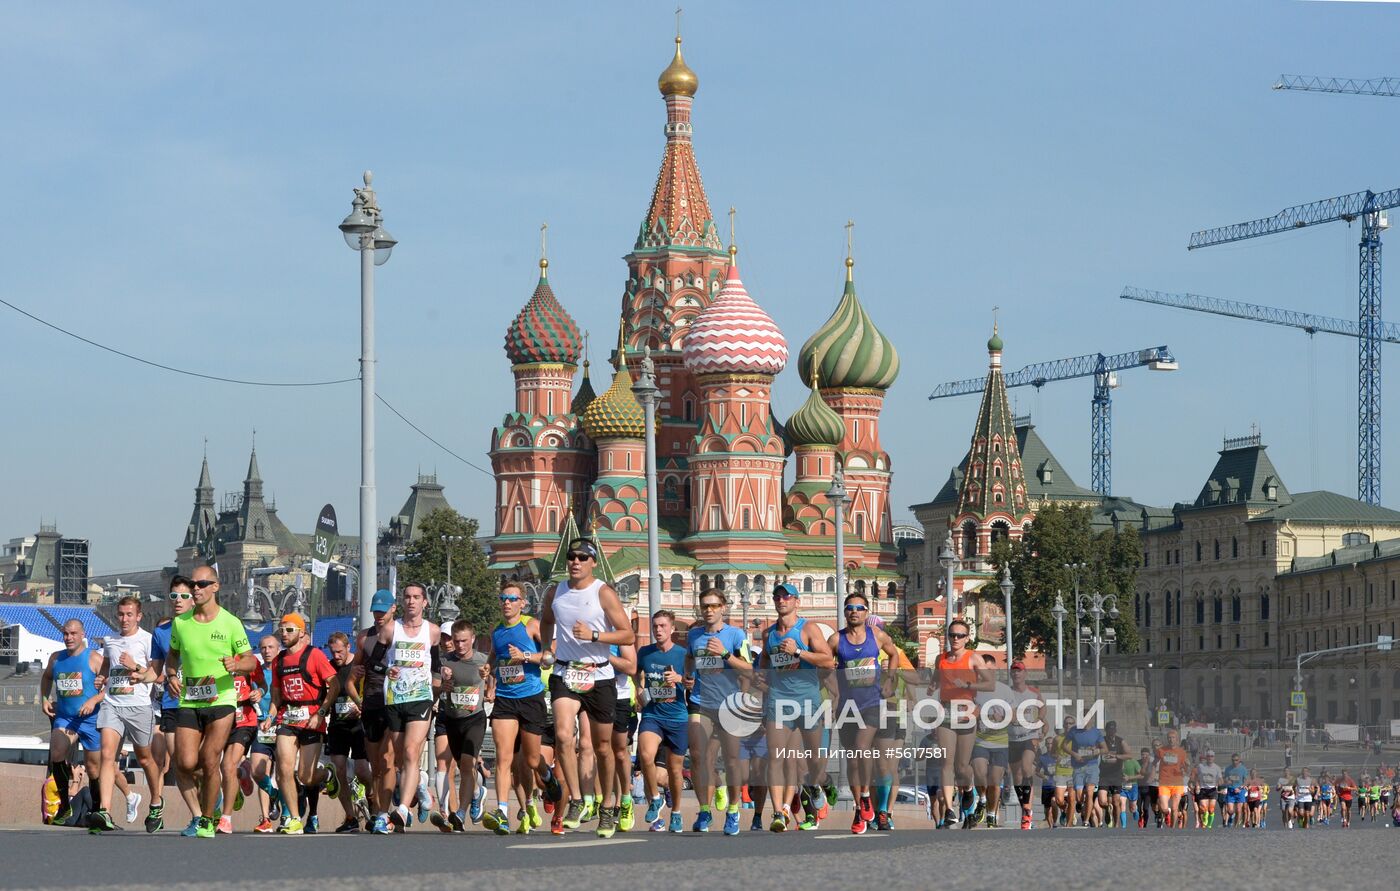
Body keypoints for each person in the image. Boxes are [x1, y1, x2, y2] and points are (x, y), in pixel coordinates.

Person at [538, 539, 636, 838]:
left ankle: (607, 806)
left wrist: (594, 635)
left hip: (599, 675)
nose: (575, 562)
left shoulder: (602, 592)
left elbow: (628, 635)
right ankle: (578, 800)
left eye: (582, 557)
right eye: (571, 556)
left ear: (593, 562)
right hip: (566, 672)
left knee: (603, 747)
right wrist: (545, 649)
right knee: (564, 736)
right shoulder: (556, 591)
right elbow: (546, 620)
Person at [163, 564, 260, 838]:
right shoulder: (181, 623)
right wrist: (171, 673)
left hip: (222, 699)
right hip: (190, 700)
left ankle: (207, 820)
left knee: (209, 758)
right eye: (194, 584)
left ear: (215, 587)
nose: (196, 589)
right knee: (183, 763)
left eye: (203, 584)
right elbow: (172, 655)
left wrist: (237, 664)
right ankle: (201, 810)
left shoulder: (230, 622)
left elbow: (251, 661)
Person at [484, 581, 562, 835]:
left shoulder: (531, 625)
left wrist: (526, 657)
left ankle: (548, 777)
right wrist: (488, 669)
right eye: (503, 598)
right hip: (505, 700)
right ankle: (503, 813)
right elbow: (495, 657)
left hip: (530, 697)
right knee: (504, 758)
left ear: (522, 603)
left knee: (530, 759)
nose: (507, 603)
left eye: (512, 599)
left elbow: (551, 656)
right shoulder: (496, 631)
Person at [758, 581, 834, 832]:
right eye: (777, 596)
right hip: (779, 700)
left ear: (796, 602)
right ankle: (778, 812)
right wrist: (761, 681)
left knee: (813, 760)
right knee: (775, 757)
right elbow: (765, 665)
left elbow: (827, 662)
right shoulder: (768, 634)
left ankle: (817, 784)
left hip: (808, 701)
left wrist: (799, 652)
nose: (781, 600)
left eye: (787, 597)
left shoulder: (808, 629)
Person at [88, 596, 162, 834]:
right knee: (107, 756)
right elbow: (107, 668)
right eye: (121, 614)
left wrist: (135, 667)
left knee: (145, 759)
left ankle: (156, 802)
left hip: (139, 706)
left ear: (139, 616)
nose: (124, 619)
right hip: (112, 704)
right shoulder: (110, 640)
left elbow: (158, 675)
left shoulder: (148, 640)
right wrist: (101, 678)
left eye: (129, 614)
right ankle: (105, 811)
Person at [828, 591, 899, 834]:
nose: (854, 611)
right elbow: (824, 667)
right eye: (850, 608)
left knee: (868, 754)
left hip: (873, 703)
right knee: (853, 761)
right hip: (847, 706)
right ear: (845, 612)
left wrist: (890, 679)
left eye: (859, 607)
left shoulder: (876, 635)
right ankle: (860, 810)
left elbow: (894, 653)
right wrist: (834, 694)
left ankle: (876, 806)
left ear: (866, 612)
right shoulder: (836, 640)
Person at [685, 587, 751, 833]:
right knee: (698, 755)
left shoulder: (735, 635)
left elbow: (749, 669)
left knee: (732, 761)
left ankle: (733, 810)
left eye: (713, 606)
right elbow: (689, 658)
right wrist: (688, 675)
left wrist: (724, 654)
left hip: (729, 704)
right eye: (705, 606)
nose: (709, 610)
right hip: (701, 701)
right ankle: (704, 811)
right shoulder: (694, 635)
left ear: (723, 608)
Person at [376, 584, 442, 831]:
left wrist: (439, 681)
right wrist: (386, 670)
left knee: (413, 751)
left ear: (424, 602)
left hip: (421, 697)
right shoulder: (391, 630)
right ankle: (421, 786)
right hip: (395, 697)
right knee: (401, 758)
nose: (412, 601)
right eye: (407, 597)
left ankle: (402, 809)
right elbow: (373, 663)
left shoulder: (432, 631)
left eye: (416, 597)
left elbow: (435, 665)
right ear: (402, 602)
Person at [270, 613, 339, 834]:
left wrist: (321, 712)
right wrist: (270, 716)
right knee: (283, 768)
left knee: (305, 776)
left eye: (289, 630)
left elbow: (334, 684)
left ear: (301, 633)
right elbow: (276, 694)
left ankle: (327, 774)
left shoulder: (315, 655)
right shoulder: (278, 660)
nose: (284, 634)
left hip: (311, 718)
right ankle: (294, 818)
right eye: (282, 630)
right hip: (287, 718)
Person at [40, 620, 105, 829]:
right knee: (57, 751)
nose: (68, 638)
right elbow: (46, 677)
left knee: (94, 769)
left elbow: (111, 687)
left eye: (73, 634)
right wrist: (44, 699)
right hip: (66, 718)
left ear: (82, 634)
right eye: (65, 634)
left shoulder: (94, 658)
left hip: (90, 720)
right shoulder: (56, 658)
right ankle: (65, 805)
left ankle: (96, 809)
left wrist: (94, 699)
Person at [149, 575, 201, 833]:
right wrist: (136, 674)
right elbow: (155, 670)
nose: (177, 601)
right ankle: (198, 816)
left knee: (201, 764)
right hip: (172, 703)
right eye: (173, 596)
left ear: (193, 599)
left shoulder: (204, 625)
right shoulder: (160, 632)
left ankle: (215, 797)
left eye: (183, 596)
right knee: (180, 763)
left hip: (202, 702)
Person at [932, 618, 992, 828]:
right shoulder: (941, 658)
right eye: (952, 635)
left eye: (959, 635)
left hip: (967, 711)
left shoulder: (973, 658)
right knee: (946, 763)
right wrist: (932, 687)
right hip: (946, 712)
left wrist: (967, 683)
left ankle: (968, 790)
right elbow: (935, 679)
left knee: (962, 766)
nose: (955, 639)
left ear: (967, 638)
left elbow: (990, 684)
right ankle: (949, 809)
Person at [431, 619, 489, 833]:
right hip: (452, 719)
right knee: (457, 765)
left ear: (472, 639)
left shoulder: (482, 660)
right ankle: (476, 793)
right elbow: (434, 691)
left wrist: (491, 689)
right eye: (457, 641)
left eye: (465, 641)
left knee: (466, 765)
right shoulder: (445, 661)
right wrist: (442, 687)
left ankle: (461, 813)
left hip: (475, 719)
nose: (460, 645)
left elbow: (494, 676)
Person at [636, 610, 688, 834]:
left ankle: (676, 812)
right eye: (655, 626)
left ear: (672, 629)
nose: (658, 630)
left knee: (675, 771)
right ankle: (655, 799)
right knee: (646, 755)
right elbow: (634, 672)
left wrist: (679, 679)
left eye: (663, 626)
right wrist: (638, 689)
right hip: (652, 714)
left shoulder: (683, 655)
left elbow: (694, 684)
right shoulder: (645, 652)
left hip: (677, 717)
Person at [352, 589, 397, 833]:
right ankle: (380, 810)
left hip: (394, 702)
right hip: (370, 703)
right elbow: (354, 670)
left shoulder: (402, 634)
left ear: (393, 609)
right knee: (376, 765)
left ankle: (384, 813)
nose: (378, 616)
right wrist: (356, 681)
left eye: (383, 611)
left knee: (388, 759)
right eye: (375, 611)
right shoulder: (364, 637)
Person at [326, 631, 372, 833]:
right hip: (338, 725)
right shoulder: (328, 668)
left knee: (362, 771)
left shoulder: (358, 666)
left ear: (348, 648)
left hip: (359, 725)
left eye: (339, 652)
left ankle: (372, 799)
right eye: (333, 652)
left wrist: (361, 706)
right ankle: (351, 817)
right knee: (339, 770)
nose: (336, 656)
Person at [970, 654, 1013, 829]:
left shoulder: (1004, 690)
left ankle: (991, 815)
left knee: (994, 781)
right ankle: (982, 798)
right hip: (980, 740)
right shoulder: (974, 690)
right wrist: (976, 715)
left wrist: (1002, 717)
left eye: (989, 669)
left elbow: (1014, 714)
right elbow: (969, 713)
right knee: (980, 773)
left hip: (1000, 742)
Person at [249, 634, 283, 833]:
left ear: (278, 649)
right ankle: (265, 818)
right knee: (259, 771)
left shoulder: (283, 670)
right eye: (263, 648)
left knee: (283, 773)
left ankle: (287, 815)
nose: (267, 651)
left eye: (271, 647)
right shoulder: (256, 673)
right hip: (261, 727)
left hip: (282, 726)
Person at [606, 639, 639, 832]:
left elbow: (631, 668)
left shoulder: (619, 630)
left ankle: (624, 800)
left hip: (620, 697)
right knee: (596, 750)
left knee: (619, 752)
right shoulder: (583, 624)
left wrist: (603, 657)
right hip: (591, 694)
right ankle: (604, 802)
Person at [1004, 661, 1041, 831]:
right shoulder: (1007, 693)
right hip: (1012, 739)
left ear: (1025, 673)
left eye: (1019, 671)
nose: (1016, 674)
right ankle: (1026, 810)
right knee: (1017, 778)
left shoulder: (1033, 693)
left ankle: (1027, 811)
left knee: (1027, 768)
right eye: (1014, 672)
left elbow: (1042, 709)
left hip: (1029, 736)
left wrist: (1039, 725)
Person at [1066, 712, 1107, 827]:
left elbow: (1105, 749)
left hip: (1092, 766)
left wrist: (1097, 751)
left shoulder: (1096, 732)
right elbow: (1064, 746)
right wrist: (1074, 754)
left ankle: (1086, 821)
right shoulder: (1074, 730)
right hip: (1078, 767)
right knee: (1079, 796)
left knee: (1089, 793)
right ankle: (1081, 803)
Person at [1096, 720, 1129, 830]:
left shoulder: (1121, 741)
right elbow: (1094, 751)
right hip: (1104, 775)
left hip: (1116, 775)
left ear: (1116, 730)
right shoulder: (1101, 741)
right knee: (1101, 801)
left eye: (1113, 729)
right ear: (1106, 730)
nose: (1111, 731)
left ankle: (1116, 824)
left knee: (1116, 802)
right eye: (1109, 729)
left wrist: (1117, 756)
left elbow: (1129, 755)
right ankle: (1107, 808)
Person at [1155, 729, 1189, 829]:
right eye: (1169, 738)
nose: (1171, 739)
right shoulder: (1161, 750)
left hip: (1177, 782)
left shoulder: (1182, 752)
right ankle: (1167, 814)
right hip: (1164, 782)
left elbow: (1185, 769)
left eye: (1173, 738)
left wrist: (1186, 767)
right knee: (1165, 808)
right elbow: (1154, 761)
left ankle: (1172, 829)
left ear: (1177, 739)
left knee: (1175, 808)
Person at [1191, 749, 1223, 829]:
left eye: (1212, 756)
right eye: (1208, 756)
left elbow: (1220, 779)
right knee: (1203, 808)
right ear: (1206, 757)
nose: (1210, 758)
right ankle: (1204, 821)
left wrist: (1220, 782)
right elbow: (1196, 777)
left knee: (1211, 809)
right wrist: (1197, 785)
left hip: (1212, 790)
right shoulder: (1201, 766)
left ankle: (1209, 825)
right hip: (1203, 789)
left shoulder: (1217, 768)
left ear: (1214, 757)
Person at [1222, 753, 1248, 828]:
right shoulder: (1228, 769)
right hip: (1231, 791)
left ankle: (1235, 827)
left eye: (1236, 760)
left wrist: (1240, 788)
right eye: (1233, 760)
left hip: (1240, 791)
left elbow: (1246, 781)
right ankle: (1231, 816)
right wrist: (1227, 781)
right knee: (1230, 810)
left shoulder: (1243, 769)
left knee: (1239, 810)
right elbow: (1225, 779)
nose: (1234, 762)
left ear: (1239, 760)